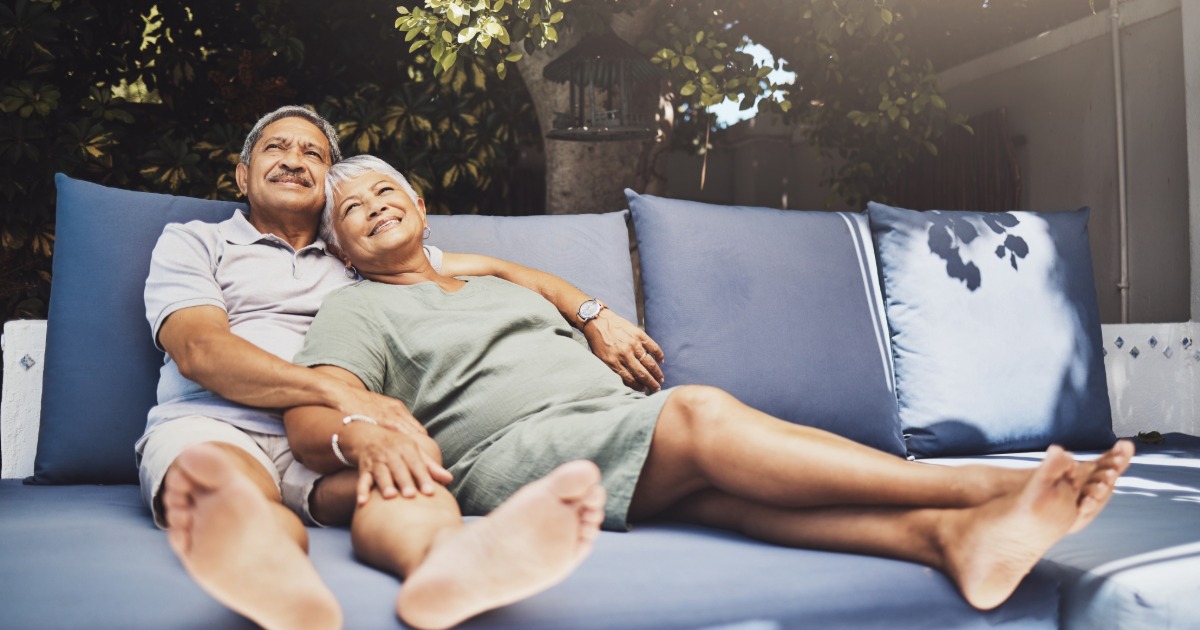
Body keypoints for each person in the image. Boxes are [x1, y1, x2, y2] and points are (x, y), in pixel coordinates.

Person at [285, 154, 1137, 620]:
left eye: (386, 189)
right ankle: (992, 488)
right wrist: (360, 434)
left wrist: (589, 313)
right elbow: (317, 404)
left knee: (731, 500)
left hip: (605, 425)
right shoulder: (354, 310)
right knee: (696, 414)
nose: (372, 204)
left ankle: (945, 542)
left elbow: (531, 280)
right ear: (344, 250)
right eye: (351, 208)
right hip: (512, 456)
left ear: (422, 208)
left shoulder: (491, 278)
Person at [141, 106, 664, 630]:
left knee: (415, 485)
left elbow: (503, 270)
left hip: (333, 434)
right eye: (275, 148)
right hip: (222, 422)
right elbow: (201, 351)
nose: (294, 160)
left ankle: (447, 567)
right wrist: (342, 395)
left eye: (313, 153)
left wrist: (593, 316)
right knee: (236, 496)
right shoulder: (197, 242)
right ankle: (280, 586)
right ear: (242, 174)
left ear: (327, 182)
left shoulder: (357, 249)